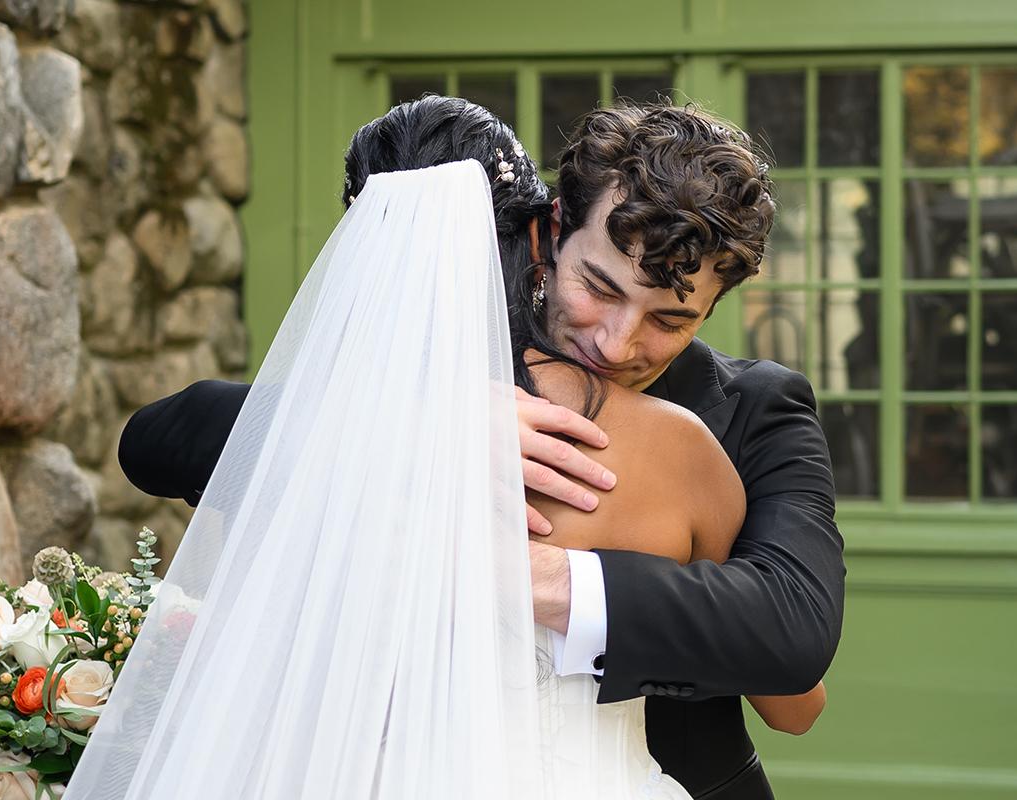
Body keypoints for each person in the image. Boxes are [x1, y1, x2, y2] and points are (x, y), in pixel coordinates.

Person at [117, 97, 844, 799]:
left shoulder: (756, 409)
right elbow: (162, 438)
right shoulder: (430, 361)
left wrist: (511, 572)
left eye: (670, 319)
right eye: (598, 286)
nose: (616, 343)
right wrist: (429, 421)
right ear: (554, 229)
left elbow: (794, 635)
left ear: (712, 306)